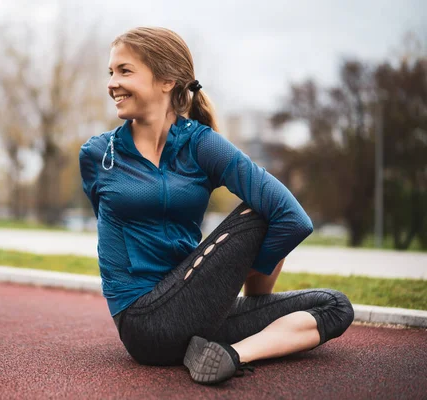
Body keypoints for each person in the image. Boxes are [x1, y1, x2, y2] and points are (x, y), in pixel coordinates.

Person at [78, 26, 354, 385]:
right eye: (111, 72)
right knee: (261, 211)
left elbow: (294, 219)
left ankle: (230, 354)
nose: (112, 82)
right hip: (143, 323)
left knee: (335, 306)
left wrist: (234, 284)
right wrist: (239, 273)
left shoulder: (200, 144)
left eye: (125, 71)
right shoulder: (98, 155)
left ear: (166, 81)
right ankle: (224, 342)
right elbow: (111, 235)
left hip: (198, 311)